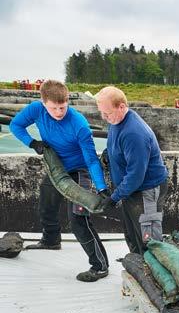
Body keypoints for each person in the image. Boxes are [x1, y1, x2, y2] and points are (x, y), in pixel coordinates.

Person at [10, 80, 110, 282]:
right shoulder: (36, 109)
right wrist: (32, 143)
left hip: (80, 171)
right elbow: (15, 125)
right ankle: (51, 240)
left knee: (78, 220)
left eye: (62, 107)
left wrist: (101, 188)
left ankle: (100, 266)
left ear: (67, 102)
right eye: (53, 108)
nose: (58, 112)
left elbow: (91, 159)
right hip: (57, 169)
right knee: (46, 205)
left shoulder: (79, 123)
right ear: (43, 103)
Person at [96, 86, 169, 254]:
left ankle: (154, 274)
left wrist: (114, 197)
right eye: (102, 113)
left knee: (149, 239)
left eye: (107, 113)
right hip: (130, 190)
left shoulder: (134, 133)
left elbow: (136, 175)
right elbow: (117, 146)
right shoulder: (116, 121)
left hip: (146, 190)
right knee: (131, 232)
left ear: (121, 106)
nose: (104, 118)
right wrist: (109, 155)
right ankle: (138, 263)